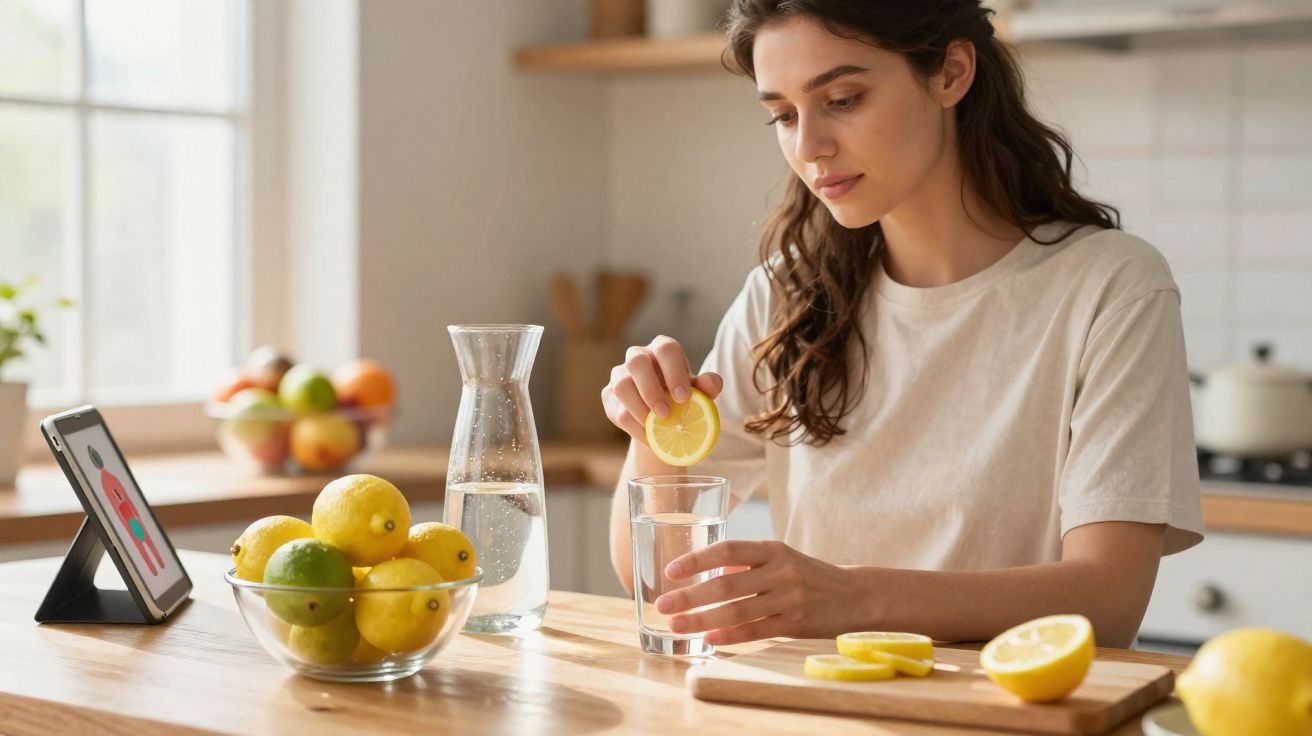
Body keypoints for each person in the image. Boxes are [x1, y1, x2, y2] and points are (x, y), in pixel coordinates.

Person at [602, 0, 1204, 650]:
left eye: (843, 98)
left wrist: (853, 599)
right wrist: (654, 430)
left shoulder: (1109, 286)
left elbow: (1107, 600)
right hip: (819, 711)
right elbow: (659, 580)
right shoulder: (787, 293)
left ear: (950, 73)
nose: (808, 147)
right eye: (781, 115)